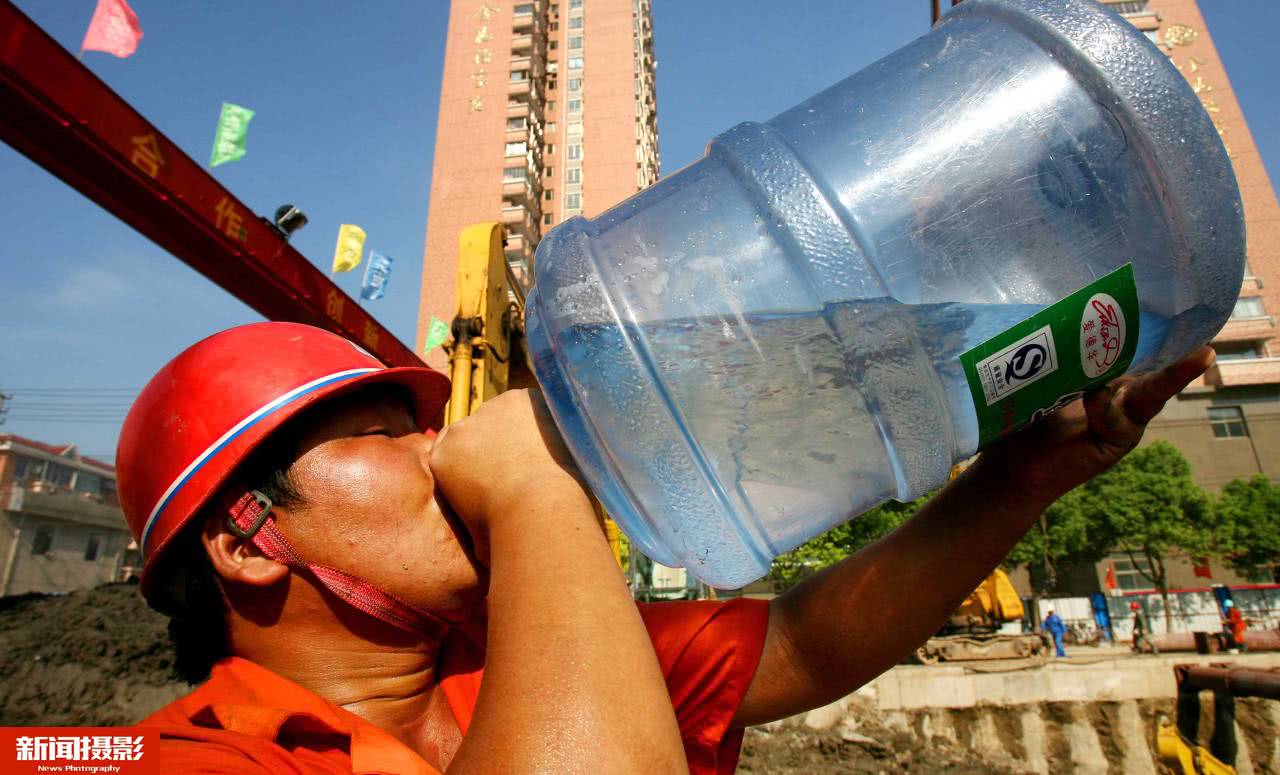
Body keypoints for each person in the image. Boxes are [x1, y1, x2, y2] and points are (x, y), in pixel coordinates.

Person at [119, 322, 1213, 773]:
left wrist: (1021, 474)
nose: (436, 446)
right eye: (377, 437)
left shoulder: (521, 664)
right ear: (245, 539)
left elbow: (801, 642)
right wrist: (541, 484)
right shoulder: (191, 759)